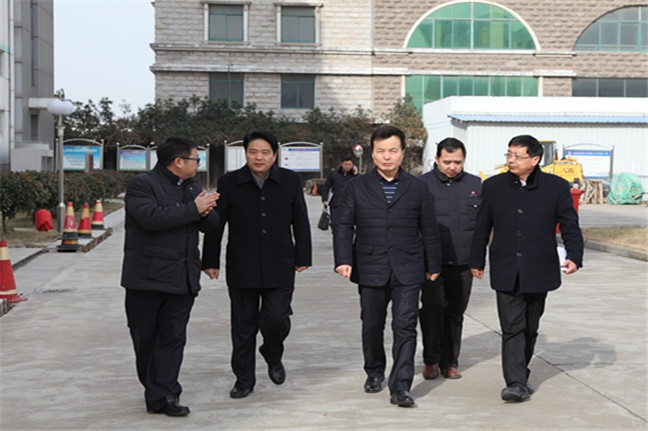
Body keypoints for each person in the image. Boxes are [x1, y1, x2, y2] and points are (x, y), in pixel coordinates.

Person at [333, 125, 441, 408]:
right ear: (372, 153)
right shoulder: (356, 187)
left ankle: (401, 386)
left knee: (406, 326)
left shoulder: (418, 187)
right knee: (372, 324)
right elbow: (343, 224)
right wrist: (343, 259)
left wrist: (433, 264)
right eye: (381, 151)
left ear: (403, 153)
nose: (387, 156)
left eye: (393, 150)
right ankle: (374, 370)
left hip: (409, 267)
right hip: (370, 265)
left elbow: (429, 228)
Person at [469, 134, 584, 403]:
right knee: (512, 327)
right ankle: (516, 382)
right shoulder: (494, 186)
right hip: (506, 266)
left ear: (535, 159)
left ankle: (521, 372)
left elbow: (569, 224)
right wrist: (476, 259)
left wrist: (575, 256)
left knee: (530, 327)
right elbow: (482, 225)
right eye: (508, 154)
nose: (511, 160)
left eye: (517, 156)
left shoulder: (555, 187)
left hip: (539, 267)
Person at [202, 130, 312, 399]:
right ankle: (244, 379)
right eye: (253, 152)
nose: (259, 157)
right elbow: (217, 224)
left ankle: (272, 352)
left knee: (276, 319)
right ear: (246, 154)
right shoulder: (229, 182)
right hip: (243, 264)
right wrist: (210, 260)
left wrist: (303, 256)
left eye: (265, 152)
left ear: (275, 155)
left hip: (280, 263)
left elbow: (300, 220)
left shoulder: (290, 181)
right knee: (243, 326)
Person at [121, 137, 220, 416]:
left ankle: (165, 395)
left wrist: (206, 212)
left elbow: (212, 224)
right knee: (146, 340)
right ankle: (156, 389)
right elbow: (150, 218)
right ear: (178, 161)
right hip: (147, 279)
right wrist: (194, 209)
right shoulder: (143, 185)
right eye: (195, 159)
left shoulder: (193, 188)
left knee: (173, 339)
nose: (198, 164)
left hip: (182, 278)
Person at [419, 138, 482, 381]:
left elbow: (482, 226)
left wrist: (478, 260)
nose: (452, 167)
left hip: (463, 263)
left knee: (455, 313)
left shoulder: (475, 185)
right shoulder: (422, 184)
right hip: (432, 264)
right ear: (437, 159)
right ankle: (431, 360)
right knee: (432, 310)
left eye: (457, 162)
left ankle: (450, 362)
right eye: (447, 162)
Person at [321, 157, 357, 225]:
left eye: (349, 164)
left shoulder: (355, 176)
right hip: (336, 203)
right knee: (335, 223)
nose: (347, 166)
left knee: (348, 224)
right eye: (345, 164)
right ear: (341, 164)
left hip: (350, 204)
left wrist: (356, 174)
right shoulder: (333, 174)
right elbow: (326, 187)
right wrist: (324, 199)